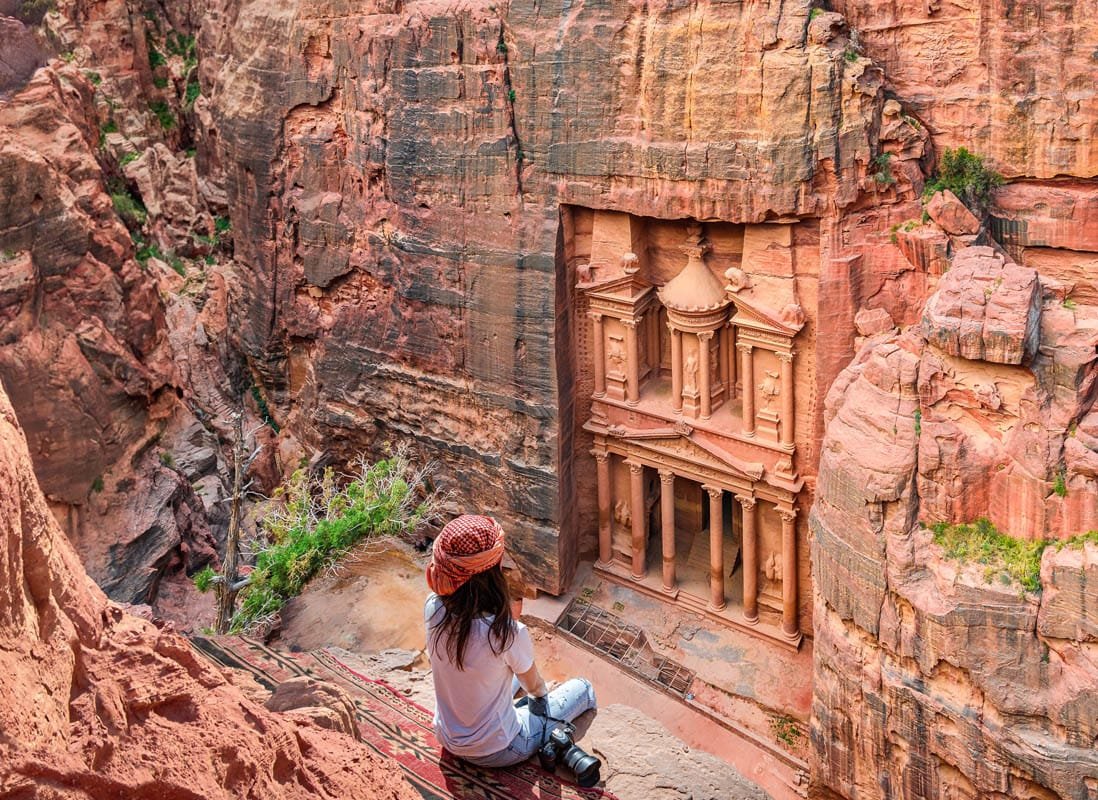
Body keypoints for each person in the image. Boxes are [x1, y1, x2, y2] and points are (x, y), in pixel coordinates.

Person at [424, 514, 597, 768]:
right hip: (499, 748)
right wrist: (538, 702)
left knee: (504, 673)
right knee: (584, 689)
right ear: (493, 572)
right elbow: (536, 689)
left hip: (447, 736)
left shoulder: (433, 608)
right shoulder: (507, 633)